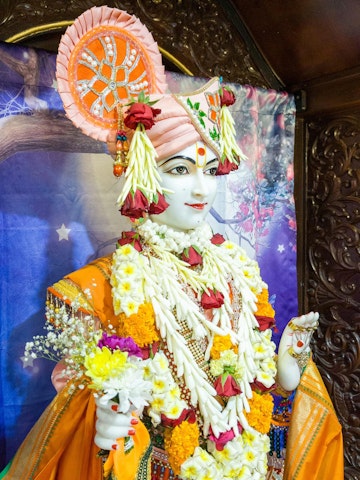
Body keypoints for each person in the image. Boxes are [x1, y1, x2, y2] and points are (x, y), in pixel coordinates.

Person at [0, 6, 343, 480]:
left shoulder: (234, 267)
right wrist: (103, 425)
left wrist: (286, 372)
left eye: (209, 170)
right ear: (143, 174)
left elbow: (259, 393)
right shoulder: (103, 288)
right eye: (180, 170)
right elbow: (85, 412)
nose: (202, 189)